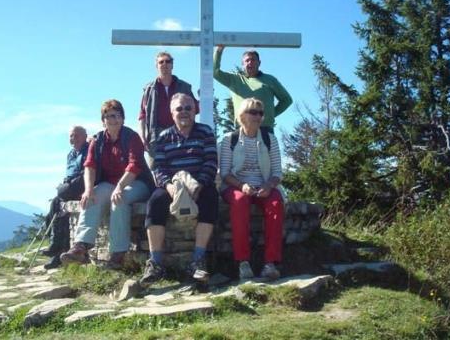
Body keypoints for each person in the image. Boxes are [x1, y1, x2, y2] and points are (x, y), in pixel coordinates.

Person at [60, 100, 154, 269]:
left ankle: (118, 254)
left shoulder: (132, 138)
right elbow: (90, 166)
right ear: (103, 120)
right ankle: (81, 246)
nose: (113, 119)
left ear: (123, 119)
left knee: (120, 198)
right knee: (92, 196)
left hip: (137, 182)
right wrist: (88, 190)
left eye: (117, 115)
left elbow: (134, 166)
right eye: (109, 116)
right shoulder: (97, 140)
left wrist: (119, 187)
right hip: (109, 183)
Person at [139, 93, 219, 286]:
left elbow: (210, 161)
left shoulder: (205, 132)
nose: (184, 112)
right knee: (155, 201)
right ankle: (156, 263)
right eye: (179, 109)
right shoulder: (164, 137)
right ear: (172, 113)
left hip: (199, 184)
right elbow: (158, 167)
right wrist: (168, 187)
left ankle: (198, 260)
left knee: (210, 198)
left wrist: (199, 184)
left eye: (188, 108)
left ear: (195, 110)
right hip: (172, 186)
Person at [219, 97, 284, 280]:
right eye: (253, 112)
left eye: (260, 113)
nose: (257, 116)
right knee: (240, 201)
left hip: (263, 185)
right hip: (235, 185)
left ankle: (270, 263)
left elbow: (278, 172)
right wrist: (242, 186)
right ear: (242, 115)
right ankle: (243, 262)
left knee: (276, 203)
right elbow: (224, 173)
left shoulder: (270, 139)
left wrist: (268, 185)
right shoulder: (229, 139)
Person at [213, 45, 292, 132]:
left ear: (259, 63)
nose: (250, 62)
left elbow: (286, 100)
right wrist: (219, 50)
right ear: (243, 64)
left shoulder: (270, 80)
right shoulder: (234, 80)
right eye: (247, 60)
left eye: (253, 60)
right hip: (242, 130)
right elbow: (214, 72)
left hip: (265, 129)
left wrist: (271, 115)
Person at [41, 125, 89, 269]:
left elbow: (86, 171)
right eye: (71, 136)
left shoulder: (88, 150)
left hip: (84, 183)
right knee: (56, 204)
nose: (73, 139)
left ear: (85, 136)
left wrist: (66, 187)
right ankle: (58, 249)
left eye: (76, 135)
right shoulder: (71, 154)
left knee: (60, 197)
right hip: (71, 185)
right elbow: (69, 174)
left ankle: (56, 247)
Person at [139, 51, 199, 163]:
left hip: (181, 134)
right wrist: (143, 137)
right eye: (161, 62)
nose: (165, 64)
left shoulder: (184, 87)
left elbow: (195, 108)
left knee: (181, 166)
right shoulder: (149, 89)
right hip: (156, 137)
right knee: (157, 170)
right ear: (156, 66)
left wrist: (205, 98)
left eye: (168, 61)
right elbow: (143, 115)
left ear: (172, 65)